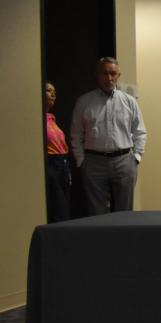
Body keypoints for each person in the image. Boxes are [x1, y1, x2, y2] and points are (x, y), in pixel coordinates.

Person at [70, 57, 147, 215]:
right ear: (97, 75)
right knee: (96, 212)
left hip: (124, 161)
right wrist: (81, 160)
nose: (109, 78)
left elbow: (140, 131)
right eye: (105, 73)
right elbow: (75, 133)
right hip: (93, 163)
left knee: (124, 213)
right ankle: (100, 240)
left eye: (113, 73)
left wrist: (136, 157)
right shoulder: (84, 101)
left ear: (119, 75)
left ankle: (123, 240)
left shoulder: (129, 101)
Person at [44, 81, 71, 222]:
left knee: (64, 203)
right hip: (51, 163)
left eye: (54, 91)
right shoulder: (37, 119)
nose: (53, 94)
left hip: (63, 163)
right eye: (48, 90)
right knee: (58, 206)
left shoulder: (51, 118)